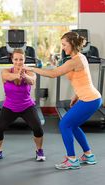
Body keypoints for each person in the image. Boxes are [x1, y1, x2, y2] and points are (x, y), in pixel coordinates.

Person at [26, 31, 102, 170]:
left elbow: (53, 74)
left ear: (72, 44)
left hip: (89, 99)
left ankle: (72, 159)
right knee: (72, 125)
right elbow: (83, 80)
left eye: (64, 44)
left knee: (64, 125)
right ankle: (88, 155)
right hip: (90, 98)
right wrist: (76, 96)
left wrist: (30, 68)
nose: (62, 47)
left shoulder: (76, 60)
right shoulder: (79, 58)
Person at [0, 48, 46, 162]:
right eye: (16, 59)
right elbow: (7, 77)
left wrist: (24, 76)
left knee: (38, 128)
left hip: (27, 106)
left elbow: (32, 81)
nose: (18, 62)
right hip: (9, 106)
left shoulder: (29, 72)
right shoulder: (5, 71)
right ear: (12, 59)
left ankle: (39, 150)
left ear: (24, 59)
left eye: (21, 59)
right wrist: (18, 75)